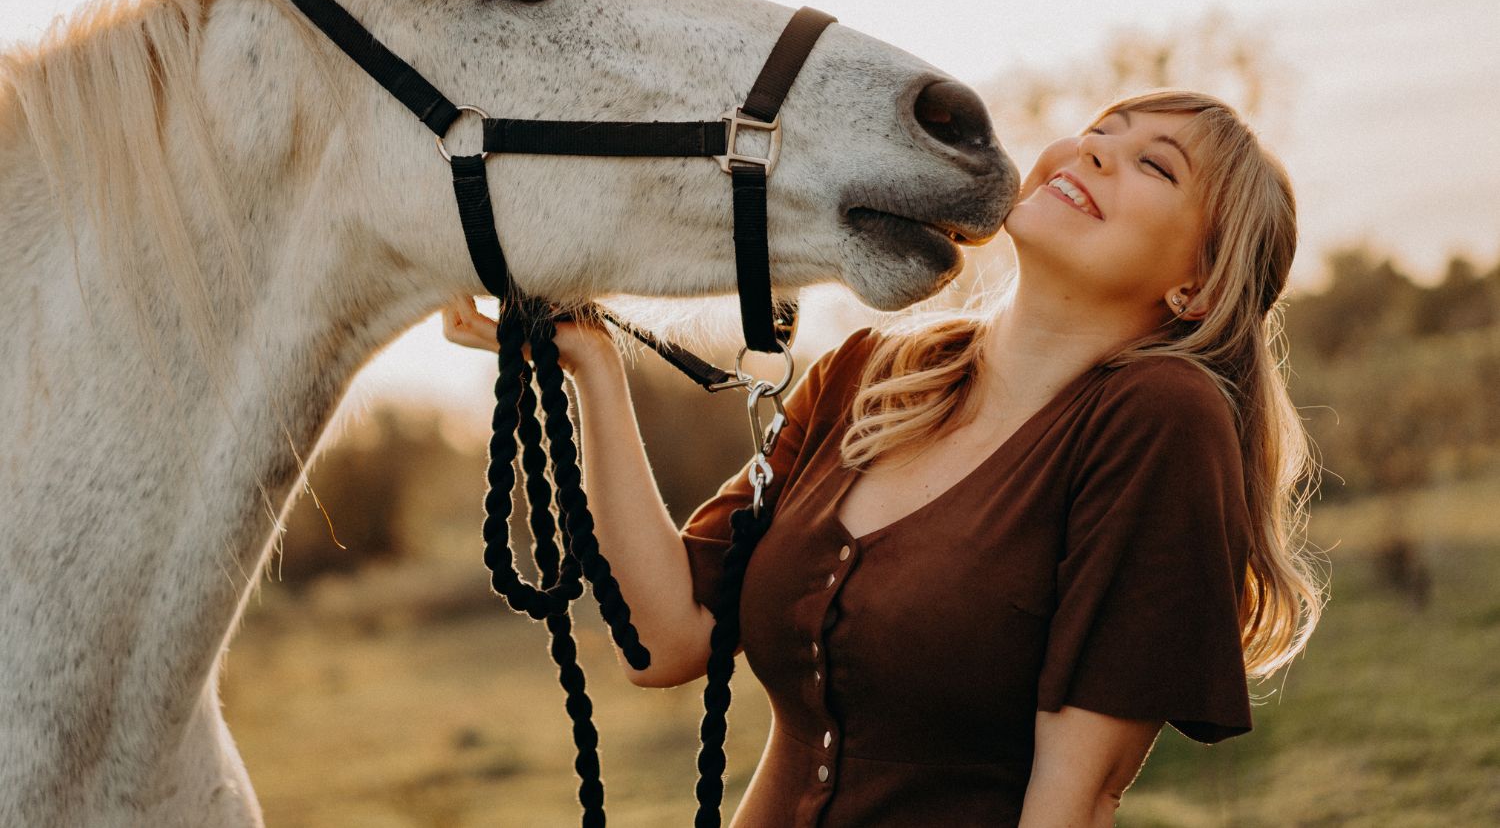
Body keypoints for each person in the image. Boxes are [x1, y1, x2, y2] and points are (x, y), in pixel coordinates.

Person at [443, 88, 1326, 826]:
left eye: (1154, 165)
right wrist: (593, 366)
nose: (1092, 153)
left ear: (1199, 284)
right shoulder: (871, 370)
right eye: (1099, 132)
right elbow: (664, 636)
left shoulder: (1160, 419)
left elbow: (1079, 788)